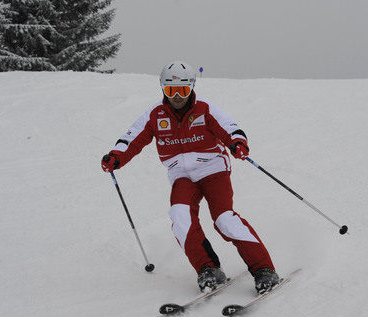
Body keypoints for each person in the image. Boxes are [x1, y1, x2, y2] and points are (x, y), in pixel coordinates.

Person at [102, 61, 279, 294]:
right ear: (163, 89)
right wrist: (116, 157)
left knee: (224, 218)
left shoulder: (205, 109)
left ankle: (264, 270)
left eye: (183, 90)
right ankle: (208, 269)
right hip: (181, 175)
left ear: (192, 88)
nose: (177, 96)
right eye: (171, 90)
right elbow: (131, 138)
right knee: (180, 216)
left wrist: (237, 144)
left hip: (213, 170)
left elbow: (230, 128)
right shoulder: (155, 115)